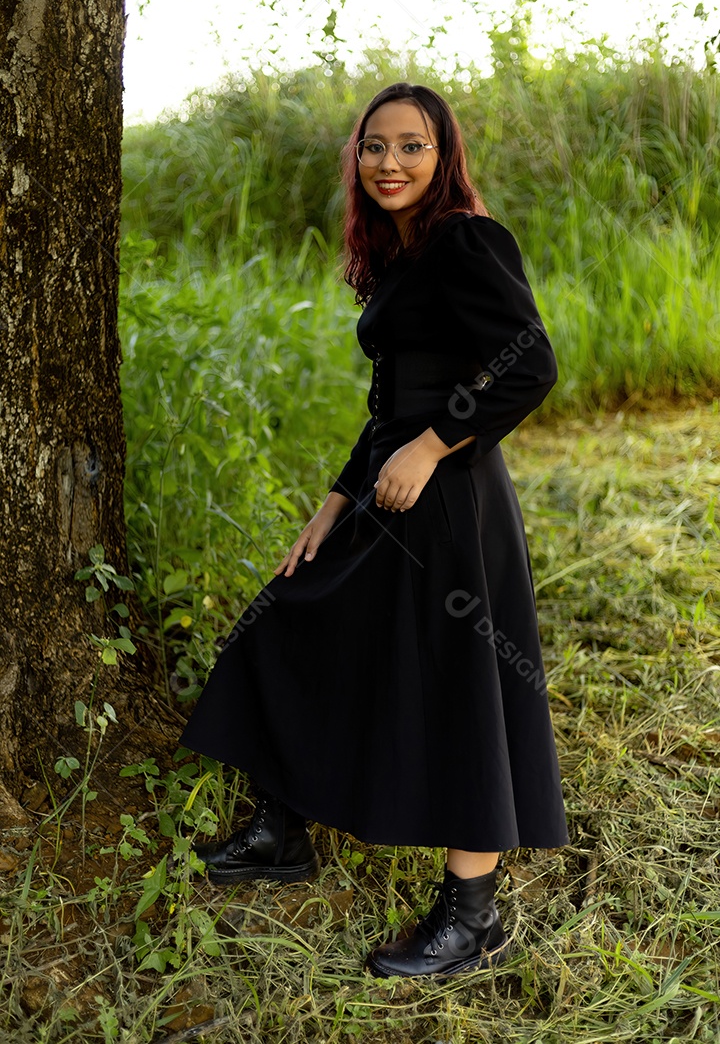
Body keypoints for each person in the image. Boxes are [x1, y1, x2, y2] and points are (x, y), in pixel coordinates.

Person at [179, 82, 568, 979]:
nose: (390, 162)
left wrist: (432, 449)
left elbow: (531, 365)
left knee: (460, 684)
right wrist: (330, 504)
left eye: (412, 146)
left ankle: (471, 916)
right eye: (374, 147)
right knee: (293, 614)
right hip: (389, 488)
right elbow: (387, 405)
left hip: (449, 498)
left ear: (444, 156)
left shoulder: (468, 238)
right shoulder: (400, 256)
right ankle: (283, 830)